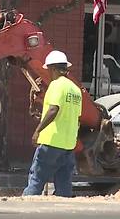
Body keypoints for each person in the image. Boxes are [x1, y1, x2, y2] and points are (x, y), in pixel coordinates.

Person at [23, 50, 82, 197]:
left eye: (49, 69)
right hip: (68, 144)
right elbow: (76, 117)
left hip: (51, 142)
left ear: (54, 68)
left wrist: (38, 130)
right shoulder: (75, 89)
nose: (48, 73)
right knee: (64, 184)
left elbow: (53, 110)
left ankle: (27, 206)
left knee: (37, 178)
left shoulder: (56, 85)